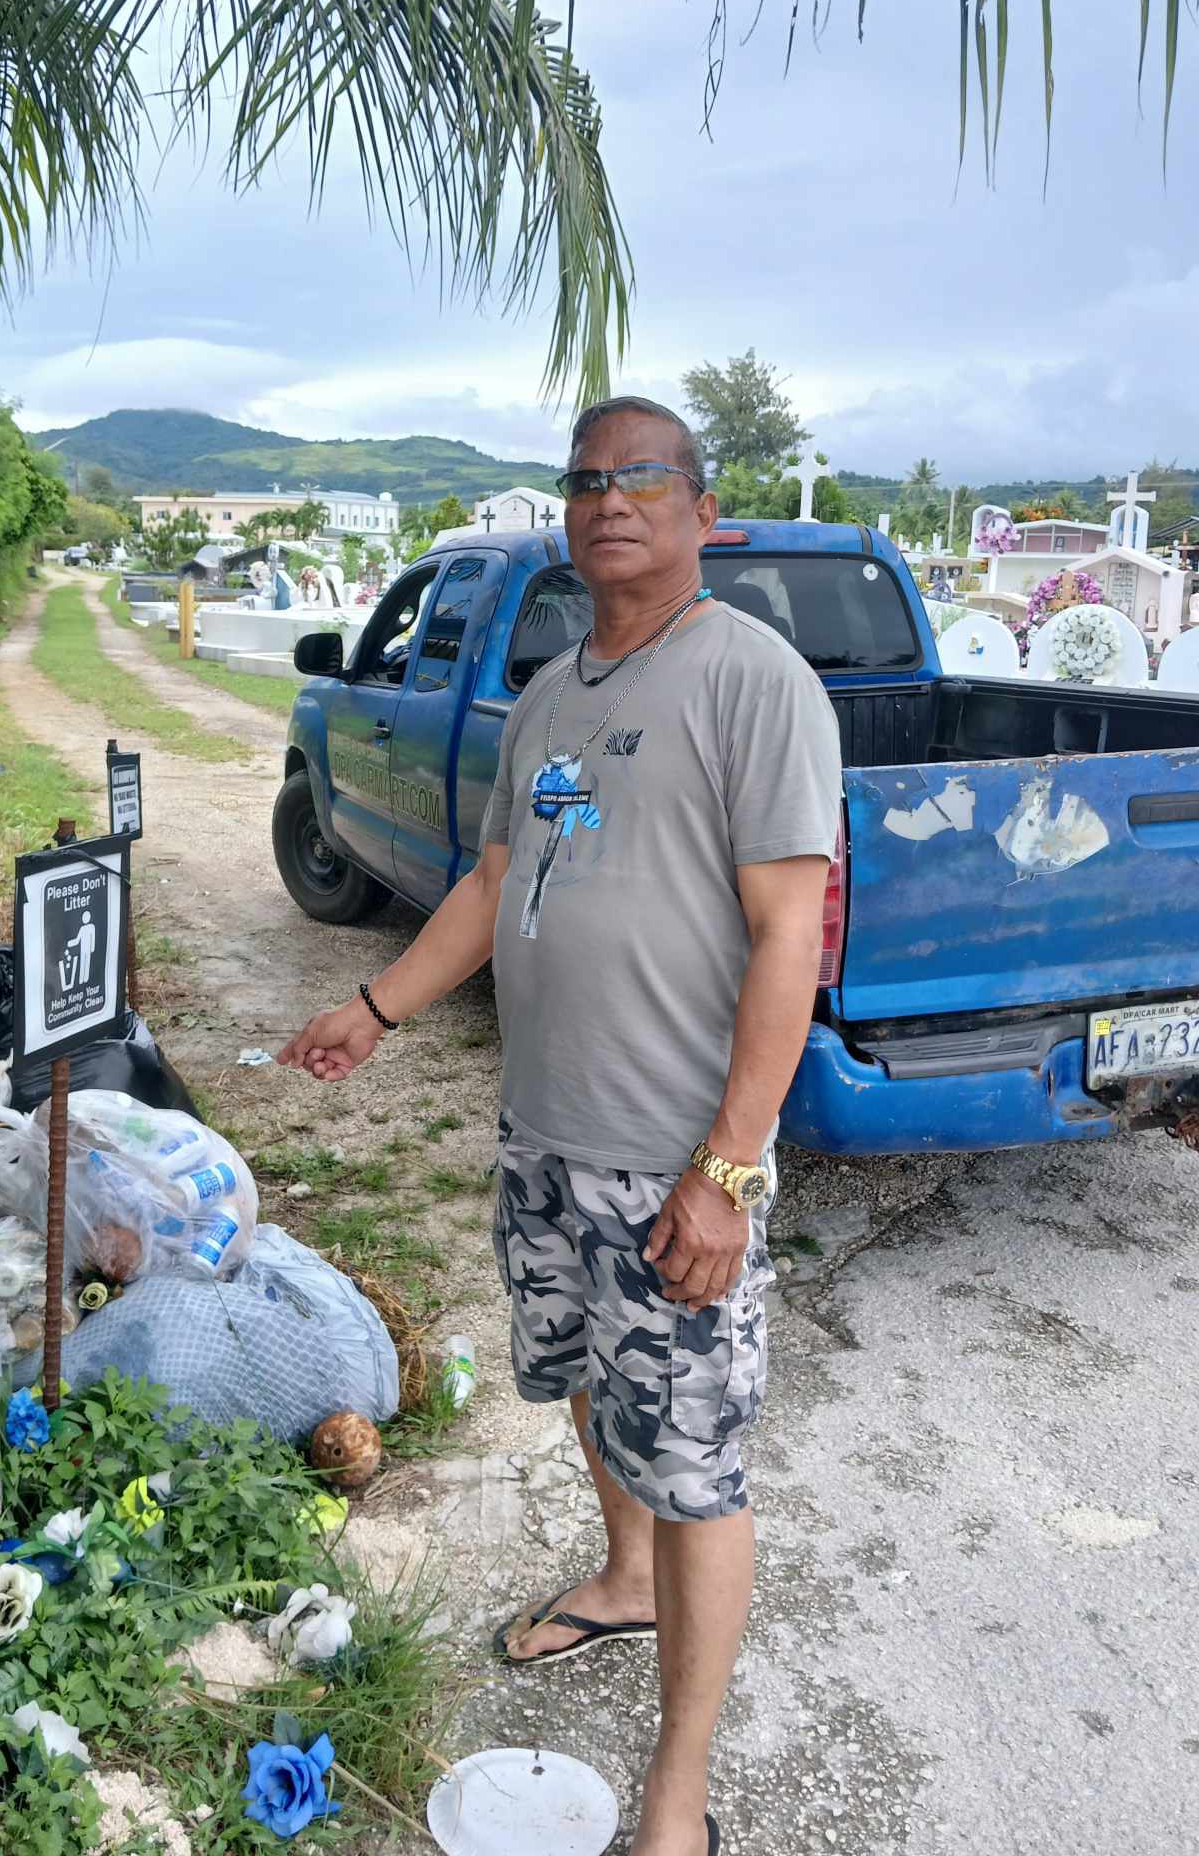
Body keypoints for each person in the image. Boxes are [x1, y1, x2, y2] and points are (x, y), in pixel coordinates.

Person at [279, 397, 843, 1856]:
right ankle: (621, 1576)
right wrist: (377, 1007)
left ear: (702, 511)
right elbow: (495, 879)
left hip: (673, 1161)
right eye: (584, 481)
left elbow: (790, 935)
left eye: (639, 478)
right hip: (544, 1133)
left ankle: (674, 1797)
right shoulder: (551, 696)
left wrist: (725, 1170)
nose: (606, 502)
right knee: (588, 1387)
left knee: (698, 1465)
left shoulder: (752, 682)